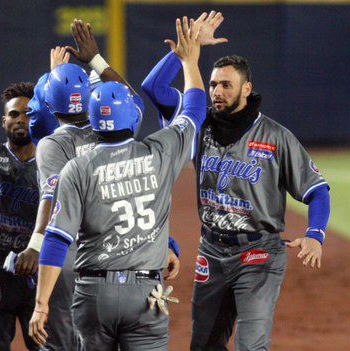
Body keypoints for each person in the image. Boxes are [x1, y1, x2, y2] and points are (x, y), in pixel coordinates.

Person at [141, 11, 331, 351]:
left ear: (247, 88)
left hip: (259, 253)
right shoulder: (199, 125)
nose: (216, 91)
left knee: (250, 344)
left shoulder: (275, 136)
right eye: (212, 84)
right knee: (204, 344)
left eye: (226, 85)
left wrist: (315, 234)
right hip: (211, 251)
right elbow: (152, 88)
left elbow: (316, 190)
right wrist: (185, 51)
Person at [29, 16, 206, 350]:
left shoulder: (75, 167)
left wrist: (41, 305)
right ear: (133, 115)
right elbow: (194, 109)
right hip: (145, 292)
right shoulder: (160, 151)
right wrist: (190, 60)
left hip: (93, 292)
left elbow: (55, 237)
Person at [0, 81, 39, 350]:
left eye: (29, 114)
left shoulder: (53, 159)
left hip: (40, 278)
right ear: (3, 121)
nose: (21, 120)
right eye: (14, 114)